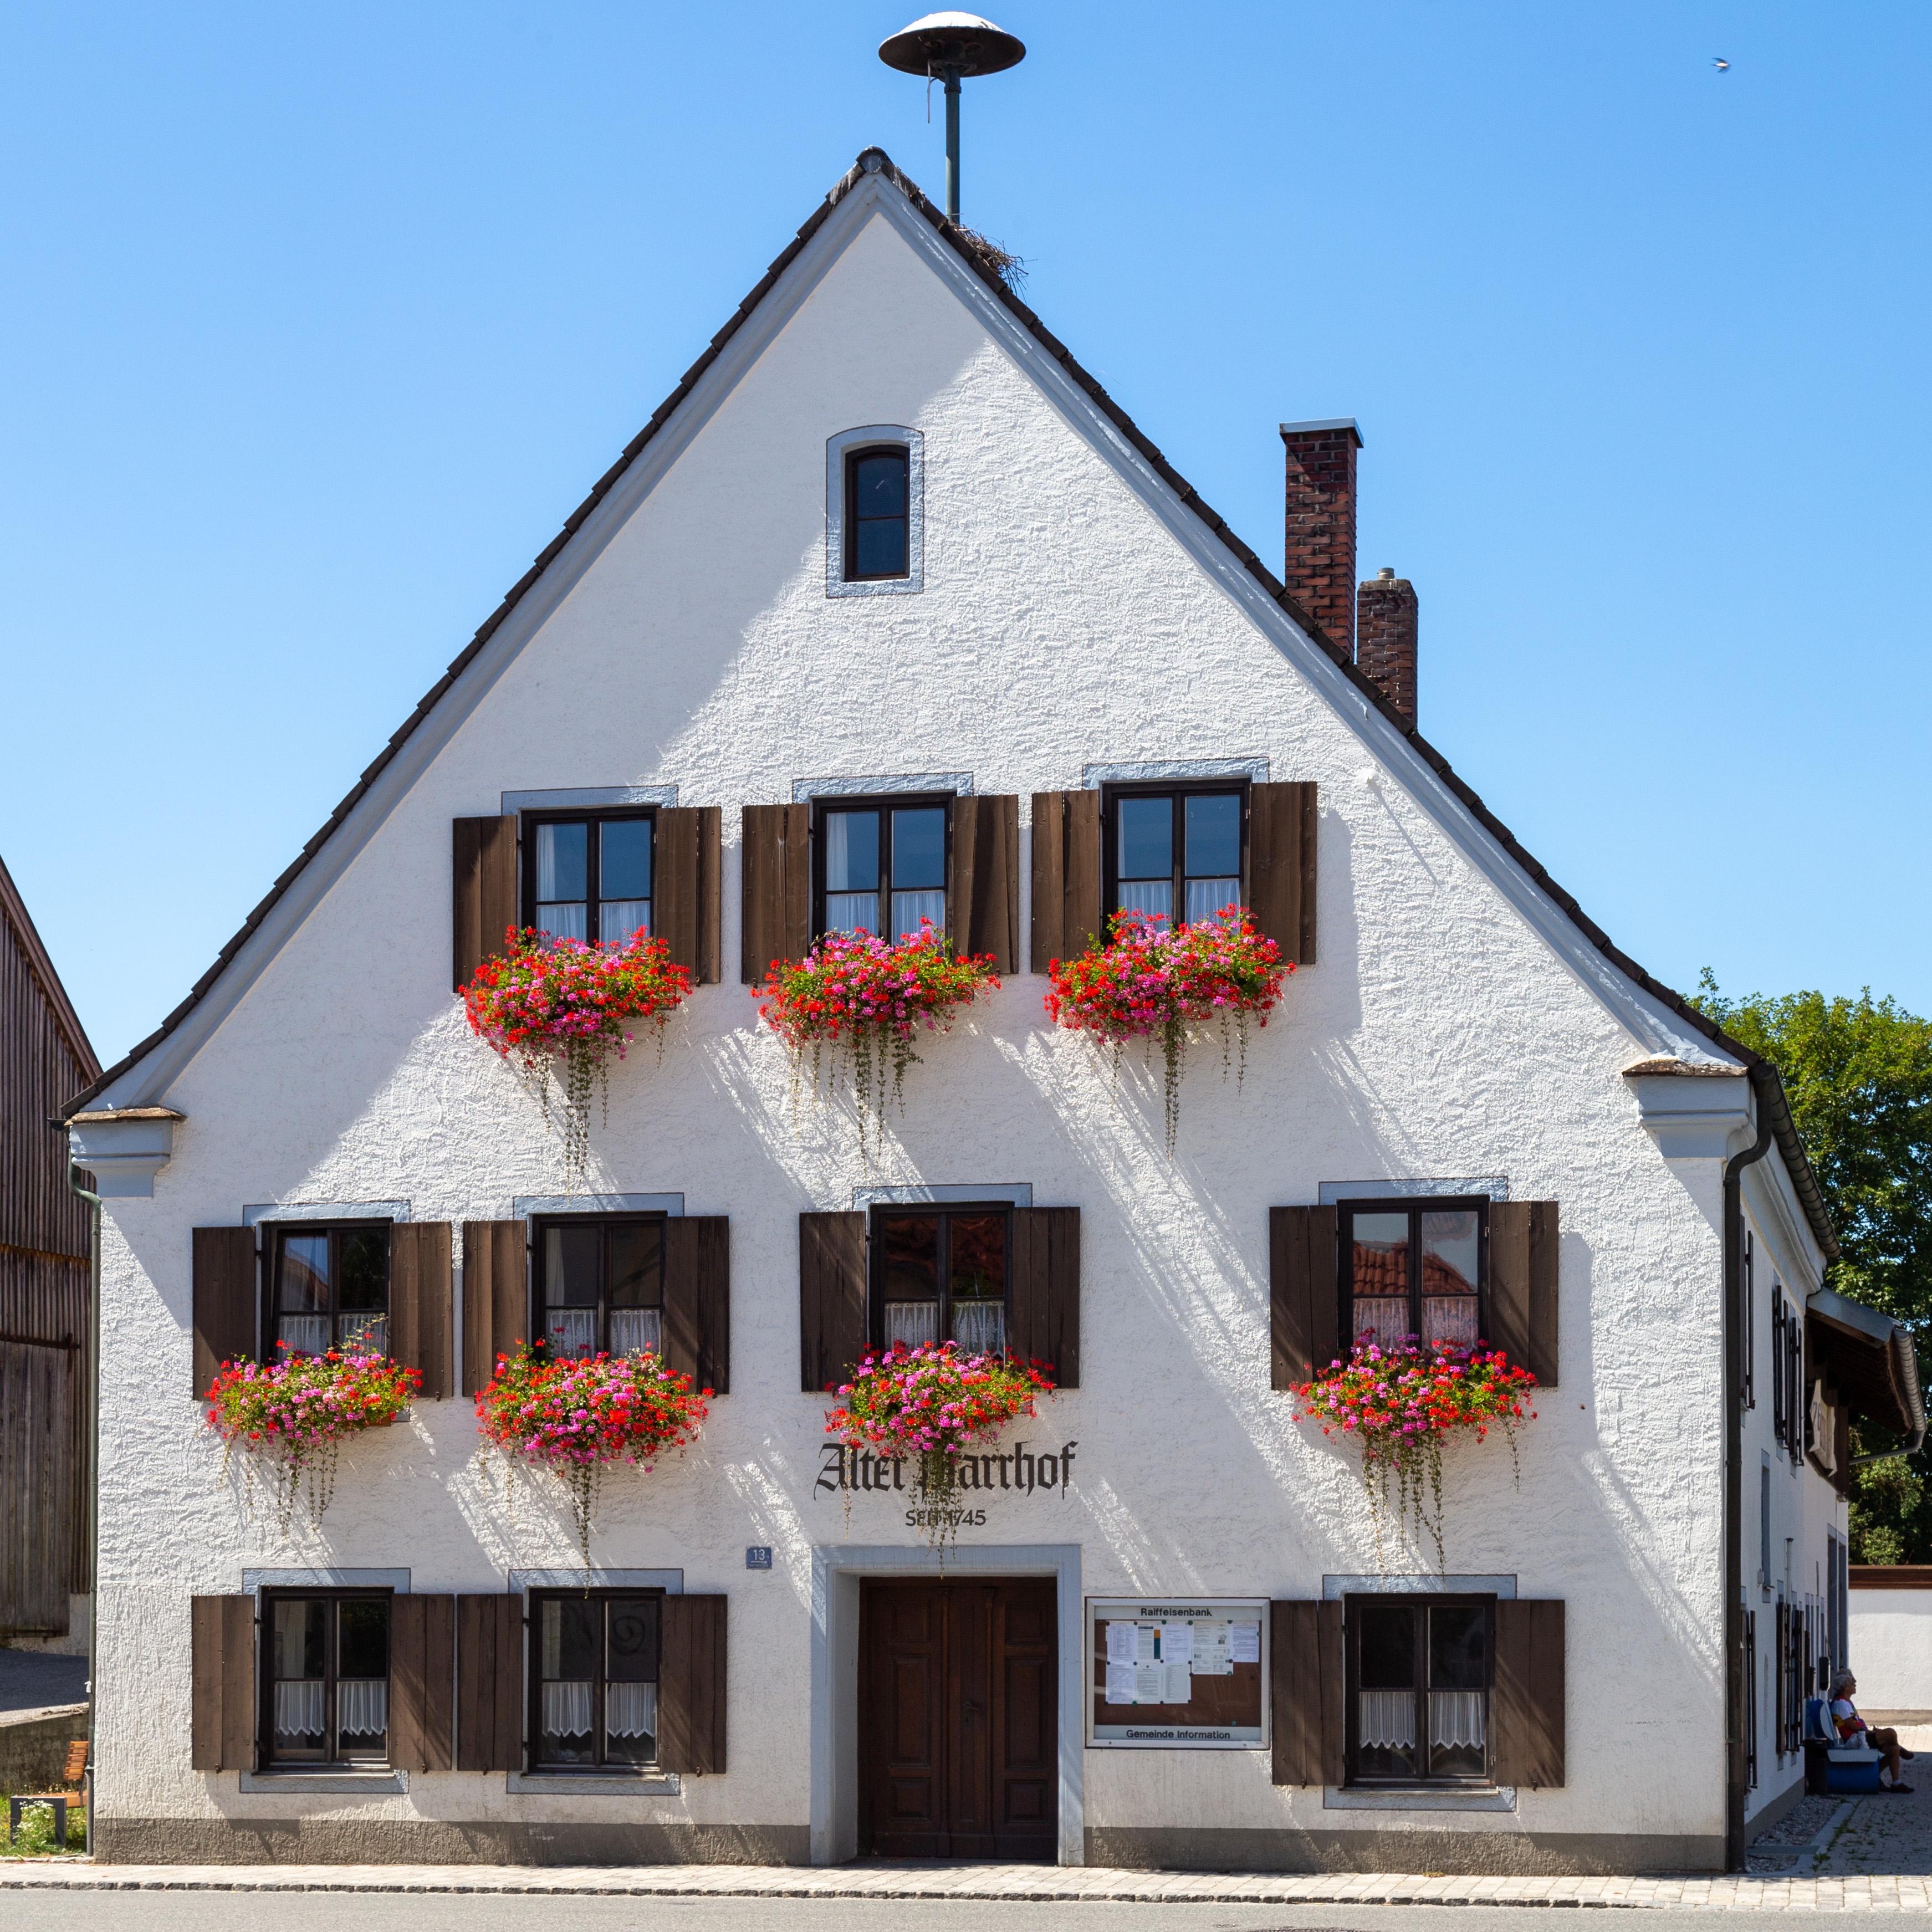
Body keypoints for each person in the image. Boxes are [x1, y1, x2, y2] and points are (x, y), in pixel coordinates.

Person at [1831, 1669, 1915, 1792]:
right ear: (1845, 1688)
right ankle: (1901, 1750)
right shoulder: (1840, 1704)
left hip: (1860, 1736)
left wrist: (1870, 1732)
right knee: (1891, 1733)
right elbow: (1851, 1725)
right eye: (1851, 1683)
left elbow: (1855, 1723)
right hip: (1855, 1740)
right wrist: (1870, 1733)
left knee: (1893, 1749)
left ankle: (1896, 1783)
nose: (1855, 1685)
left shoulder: (1846, 1702)